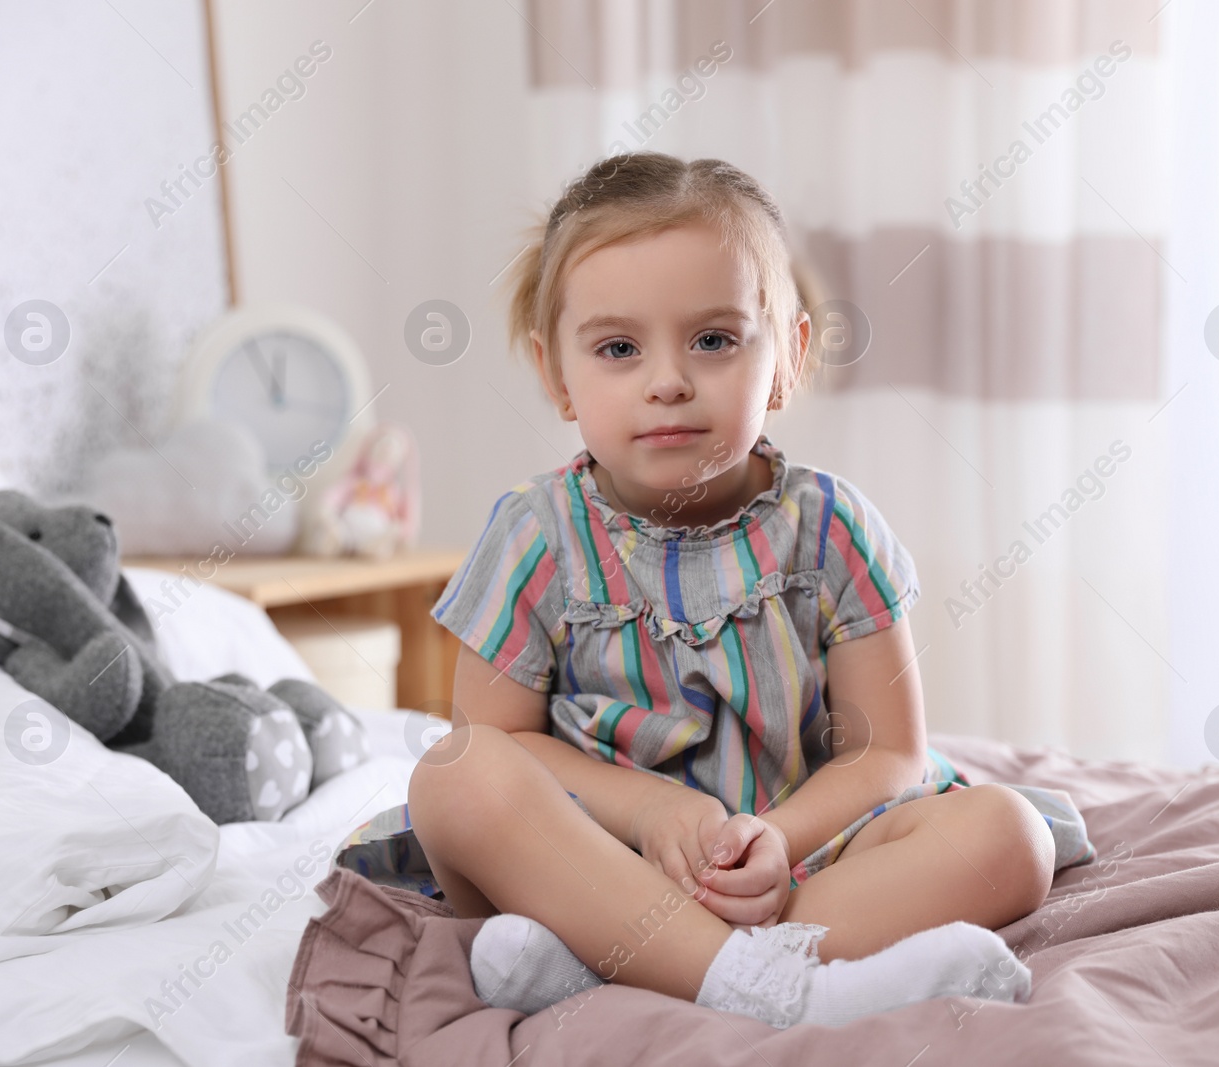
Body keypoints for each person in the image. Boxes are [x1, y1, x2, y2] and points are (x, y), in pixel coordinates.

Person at [372, 152, 1094, 1029]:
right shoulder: (536, 534)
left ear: (787, 354)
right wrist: (652, 807)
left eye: (713, 339)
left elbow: (887, 753)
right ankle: (773, 983)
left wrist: (776, 839)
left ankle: (660, 969)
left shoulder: (830, 526)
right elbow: (503, 741)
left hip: (800, 857)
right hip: (599, 861)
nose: (668, 378)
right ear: (558, 375)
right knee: (456, 771)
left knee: (1008, 836)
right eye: (618, 348)